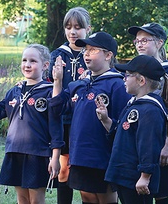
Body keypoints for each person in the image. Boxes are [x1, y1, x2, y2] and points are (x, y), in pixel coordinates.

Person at [51, 32, 131, 204]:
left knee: (105, 199)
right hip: (80, 155)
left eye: (93, 49)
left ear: (108, 55)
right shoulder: (79, 84)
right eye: (85, 49)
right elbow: (57, 108)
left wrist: (106, 120)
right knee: (87, 198)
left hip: (103, 157)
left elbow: (123, 128)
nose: (86, 53)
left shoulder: (117, 85)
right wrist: (57, 80)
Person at [0, 44, 63, 204]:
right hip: (15, 152)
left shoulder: (49, 92)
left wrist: (55, 157)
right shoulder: (15, 91)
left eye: (33, 61)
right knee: (22, 199)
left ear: (45, 65)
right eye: (24, 60)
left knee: (36, 200)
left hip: (37, 154)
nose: (27, 64)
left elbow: (56, 126)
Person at [97, 55, 168, 204]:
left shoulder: (150, 110)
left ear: (141, 81)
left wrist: (145, 176)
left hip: (136, 179)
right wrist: (106, 119)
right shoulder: (134, 104)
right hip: (125, 176)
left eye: (127, 76)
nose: (124, 79)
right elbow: (124, 132)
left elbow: (149, 145)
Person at [128, 23, 168, 204]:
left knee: (160, 191)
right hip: (138, 139)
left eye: (145, 40)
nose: (139, 44)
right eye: (137, 41)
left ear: (159, 43)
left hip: (159, 140)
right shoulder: (134, 71)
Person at [48, 7, 91, 204]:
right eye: (68, 27)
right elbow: (47, 83)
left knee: (83, 170)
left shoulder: (93, 54)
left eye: (77, 27)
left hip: (86, 121)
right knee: (63, 170)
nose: (72, 32)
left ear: (87, 29)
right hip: (63, 119)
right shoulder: (58, 54)